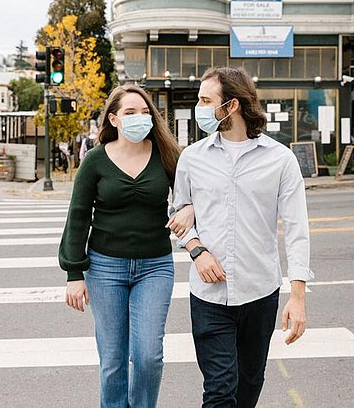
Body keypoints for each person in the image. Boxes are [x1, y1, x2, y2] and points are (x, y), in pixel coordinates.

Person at [167, 67, 314, 408]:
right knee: (219, 389)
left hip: (259, 292)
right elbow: (177, 215)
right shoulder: (192, 158)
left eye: (206, 100)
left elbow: (297, 229)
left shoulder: (280, 160)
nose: (199, 108)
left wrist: (298, 297)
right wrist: (197, 251)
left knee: (249, 385)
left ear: (231, 105)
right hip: (208, 296)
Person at [59, 84, 194, 408]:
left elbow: (194, 194)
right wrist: (74, 273)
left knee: (148, 356)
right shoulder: (95, 160)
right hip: (105, 267)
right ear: (114, 119)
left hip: (155, 266)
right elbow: (78, 216)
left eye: (145, 112)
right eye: (130, 113)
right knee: (113, 361)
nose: (139, 118)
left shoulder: (165, 155)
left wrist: (188, 207)